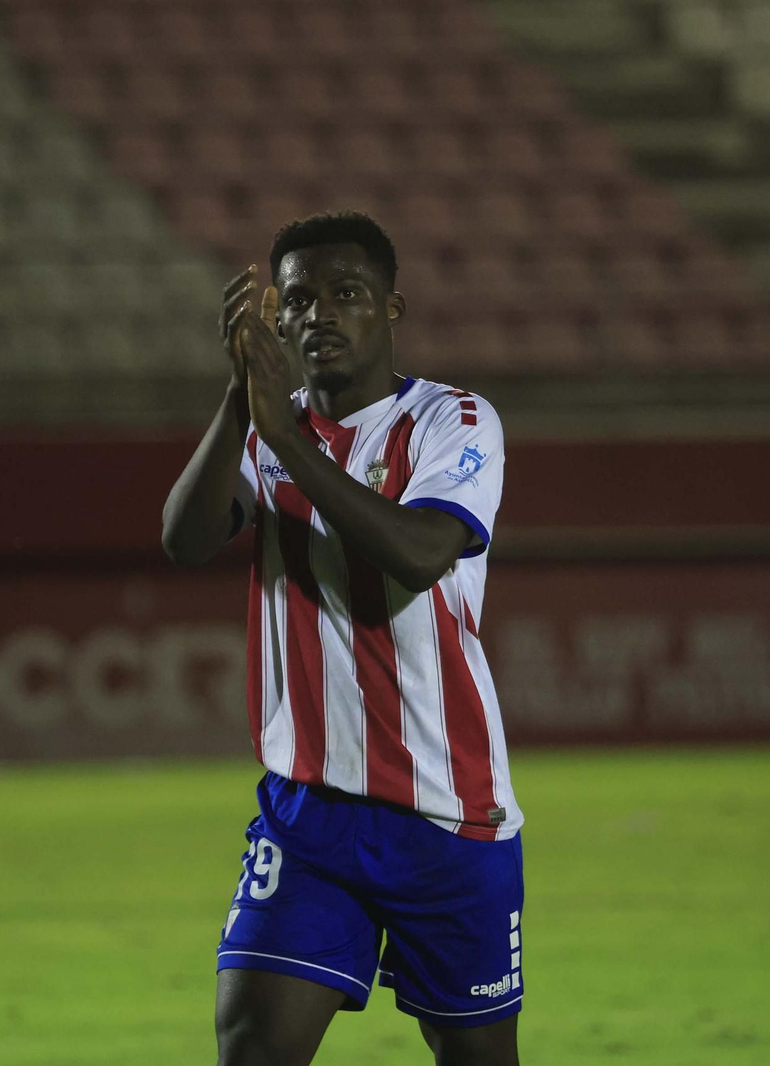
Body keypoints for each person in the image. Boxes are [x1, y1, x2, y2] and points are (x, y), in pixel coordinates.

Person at [162, 213, 523, 1066]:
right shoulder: (266, 425)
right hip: (308, 813)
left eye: (346, 293)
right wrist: (239, 398)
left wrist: (288, 442)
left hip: (446, 813)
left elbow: (419, 553)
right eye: (297, 300)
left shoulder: (452, 420)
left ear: (391, 308)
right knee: (252, 1045)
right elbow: (185, 539)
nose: (318, 313)